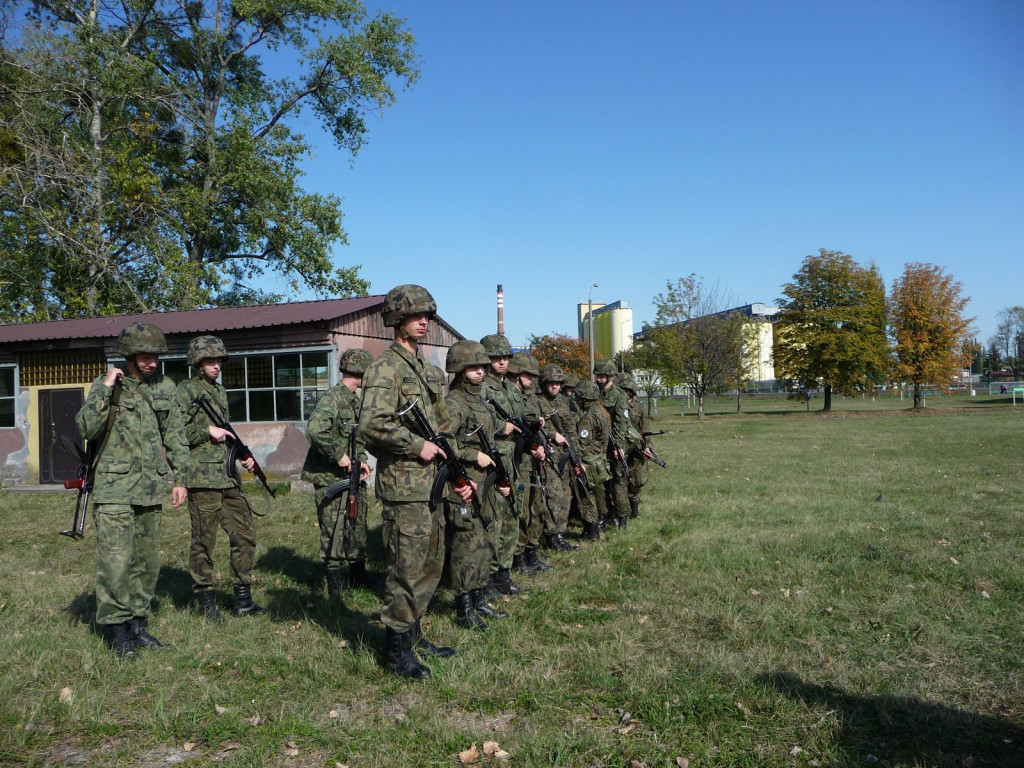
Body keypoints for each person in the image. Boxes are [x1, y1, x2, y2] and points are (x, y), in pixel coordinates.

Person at [358, 285, 473, 680]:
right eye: (415, 315)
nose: (424, 321)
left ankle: (414, 633)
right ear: (396, 319)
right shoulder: (385, 368)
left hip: (434, 485)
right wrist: (415, 445)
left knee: (430, 564)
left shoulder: (426, 369)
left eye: (427, 315)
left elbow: (443, 427)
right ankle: (396, 652)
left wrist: (458, 471)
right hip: (404, 487)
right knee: (405, 568)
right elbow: (372, 425)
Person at [76, 321, 188, 658]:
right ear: (129, 355)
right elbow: (86, 426)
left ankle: (138, 625)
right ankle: (117, 632)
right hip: (113, 487)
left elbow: (176, 435)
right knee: (114, 561)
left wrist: (180, 478)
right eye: (144, 356)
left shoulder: (166, 387)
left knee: (147, 561)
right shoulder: (108, 385)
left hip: (152, 487)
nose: (152, 362)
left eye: (155, 356)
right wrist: (106, 388)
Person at [174, 336, 265, 623]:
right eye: (210, 361)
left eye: (219, 361)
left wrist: (241, 454)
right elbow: (175, 433)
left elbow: (224, 431)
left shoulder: (219, 391)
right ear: (197, 363)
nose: (216, 366)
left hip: (227, 478)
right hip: (202, 479)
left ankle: (243, 599)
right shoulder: (186, 390)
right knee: (204, 542)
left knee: (245, 534)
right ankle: (206, 601)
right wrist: (206, 431)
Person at [443, 340, 511, 630]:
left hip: (485, 484)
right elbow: (444, 443)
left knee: (485, 542)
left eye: (482, 366)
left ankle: (480, 598)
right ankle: (463, 608)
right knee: (465, 545)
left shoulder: (481, 401)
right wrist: (474, 455)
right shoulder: (453, 403)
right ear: (459, 370)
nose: (480, 371)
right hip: (464, 485)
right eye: (473, 367)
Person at [301, 348, 374, 599]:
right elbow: (314, 430)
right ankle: (334, 585)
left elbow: (358, 439)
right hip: (328, 476)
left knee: (356, 523)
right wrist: (339, 455)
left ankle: (358, 578)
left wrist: (361, 460)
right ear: (360, 371)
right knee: (333, 527)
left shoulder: (355, 400)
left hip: (352, 476)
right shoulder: (333, 398)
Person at [479, 333, 532, 596]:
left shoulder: (511, 388)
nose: (501, 362)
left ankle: (503, 572)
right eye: (496, 357)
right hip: (494, 458)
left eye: (505, 357)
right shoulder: (481, 387)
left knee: (512, 513)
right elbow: (477, 421)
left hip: (515, 459)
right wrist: (503, 426)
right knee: (494, 518)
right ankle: (487, 577)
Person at [508, 351, 554, 575]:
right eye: (528, 375)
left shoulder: (525, 397)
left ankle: (531, 552)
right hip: (521, 463)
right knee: (523, 510)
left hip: (532, 460)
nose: (532, 380)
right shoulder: (510, 396)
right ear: (517, 374)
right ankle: (519, 558)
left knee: (535, 507)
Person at [537, 364, 578, 552]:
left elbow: (571, 428)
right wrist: (553, 434)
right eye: (551, 383)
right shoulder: (537, 401)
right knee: (553, 496)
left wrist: (575, 454)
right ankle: (551, 536)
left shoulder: (563, 402)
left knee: (565, 495)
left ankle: (560, 533)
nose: (554, 387)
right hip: (549, 455)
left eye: (558, 383)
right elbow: (535, 424)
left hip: (565, 455)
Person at [593, 359, 631, 531]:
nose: (599, 379)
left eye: (602, 376)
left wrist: (619, 446)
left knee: (618, 481)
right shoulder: (595, 394)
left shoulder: (619, 395)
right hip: (598, 444)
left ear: (610, 377)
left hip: (614, 443)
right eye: (597, 376)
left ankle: (622, 517)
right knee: (600, 481)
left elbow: (621, 422)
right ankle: (603, 516)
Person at [574, 380, 611, 540]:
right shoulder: (602, 412)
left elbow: (583, 442)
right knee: (597, 494)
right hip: (599, 459)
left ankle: (591, 531)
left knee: (586, 496)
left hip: (588, 461)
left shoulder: (588, 417)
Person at [616, 373, 653, 519]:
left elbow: (645, 429)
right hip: (621, 446)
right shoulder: (617, 406)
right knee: (621, 479)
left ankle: (634, 510)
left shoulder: (639, 408)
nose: (624, 393)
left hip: (636, 447)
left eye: (626, 390)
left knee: (636, 479)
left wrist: (647, 446)